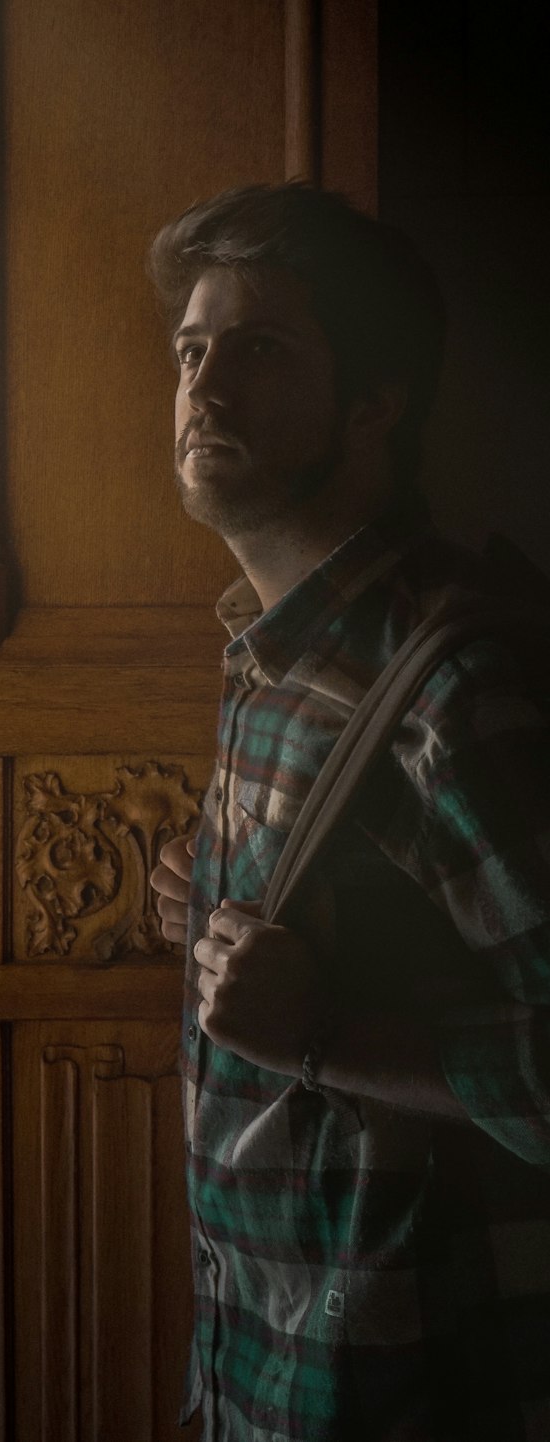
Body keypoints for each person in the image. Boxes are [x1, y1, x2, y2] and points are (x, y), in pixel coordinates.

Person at [147, 183, 550, 1442]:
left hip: (403, 1394)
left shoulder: (452, 690)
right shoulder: (269, 650)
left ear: (378, 401)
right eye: (191, 349)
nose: (203, 386)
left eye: (260, 348)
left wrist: (323, 1032)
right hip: (257, 1370)